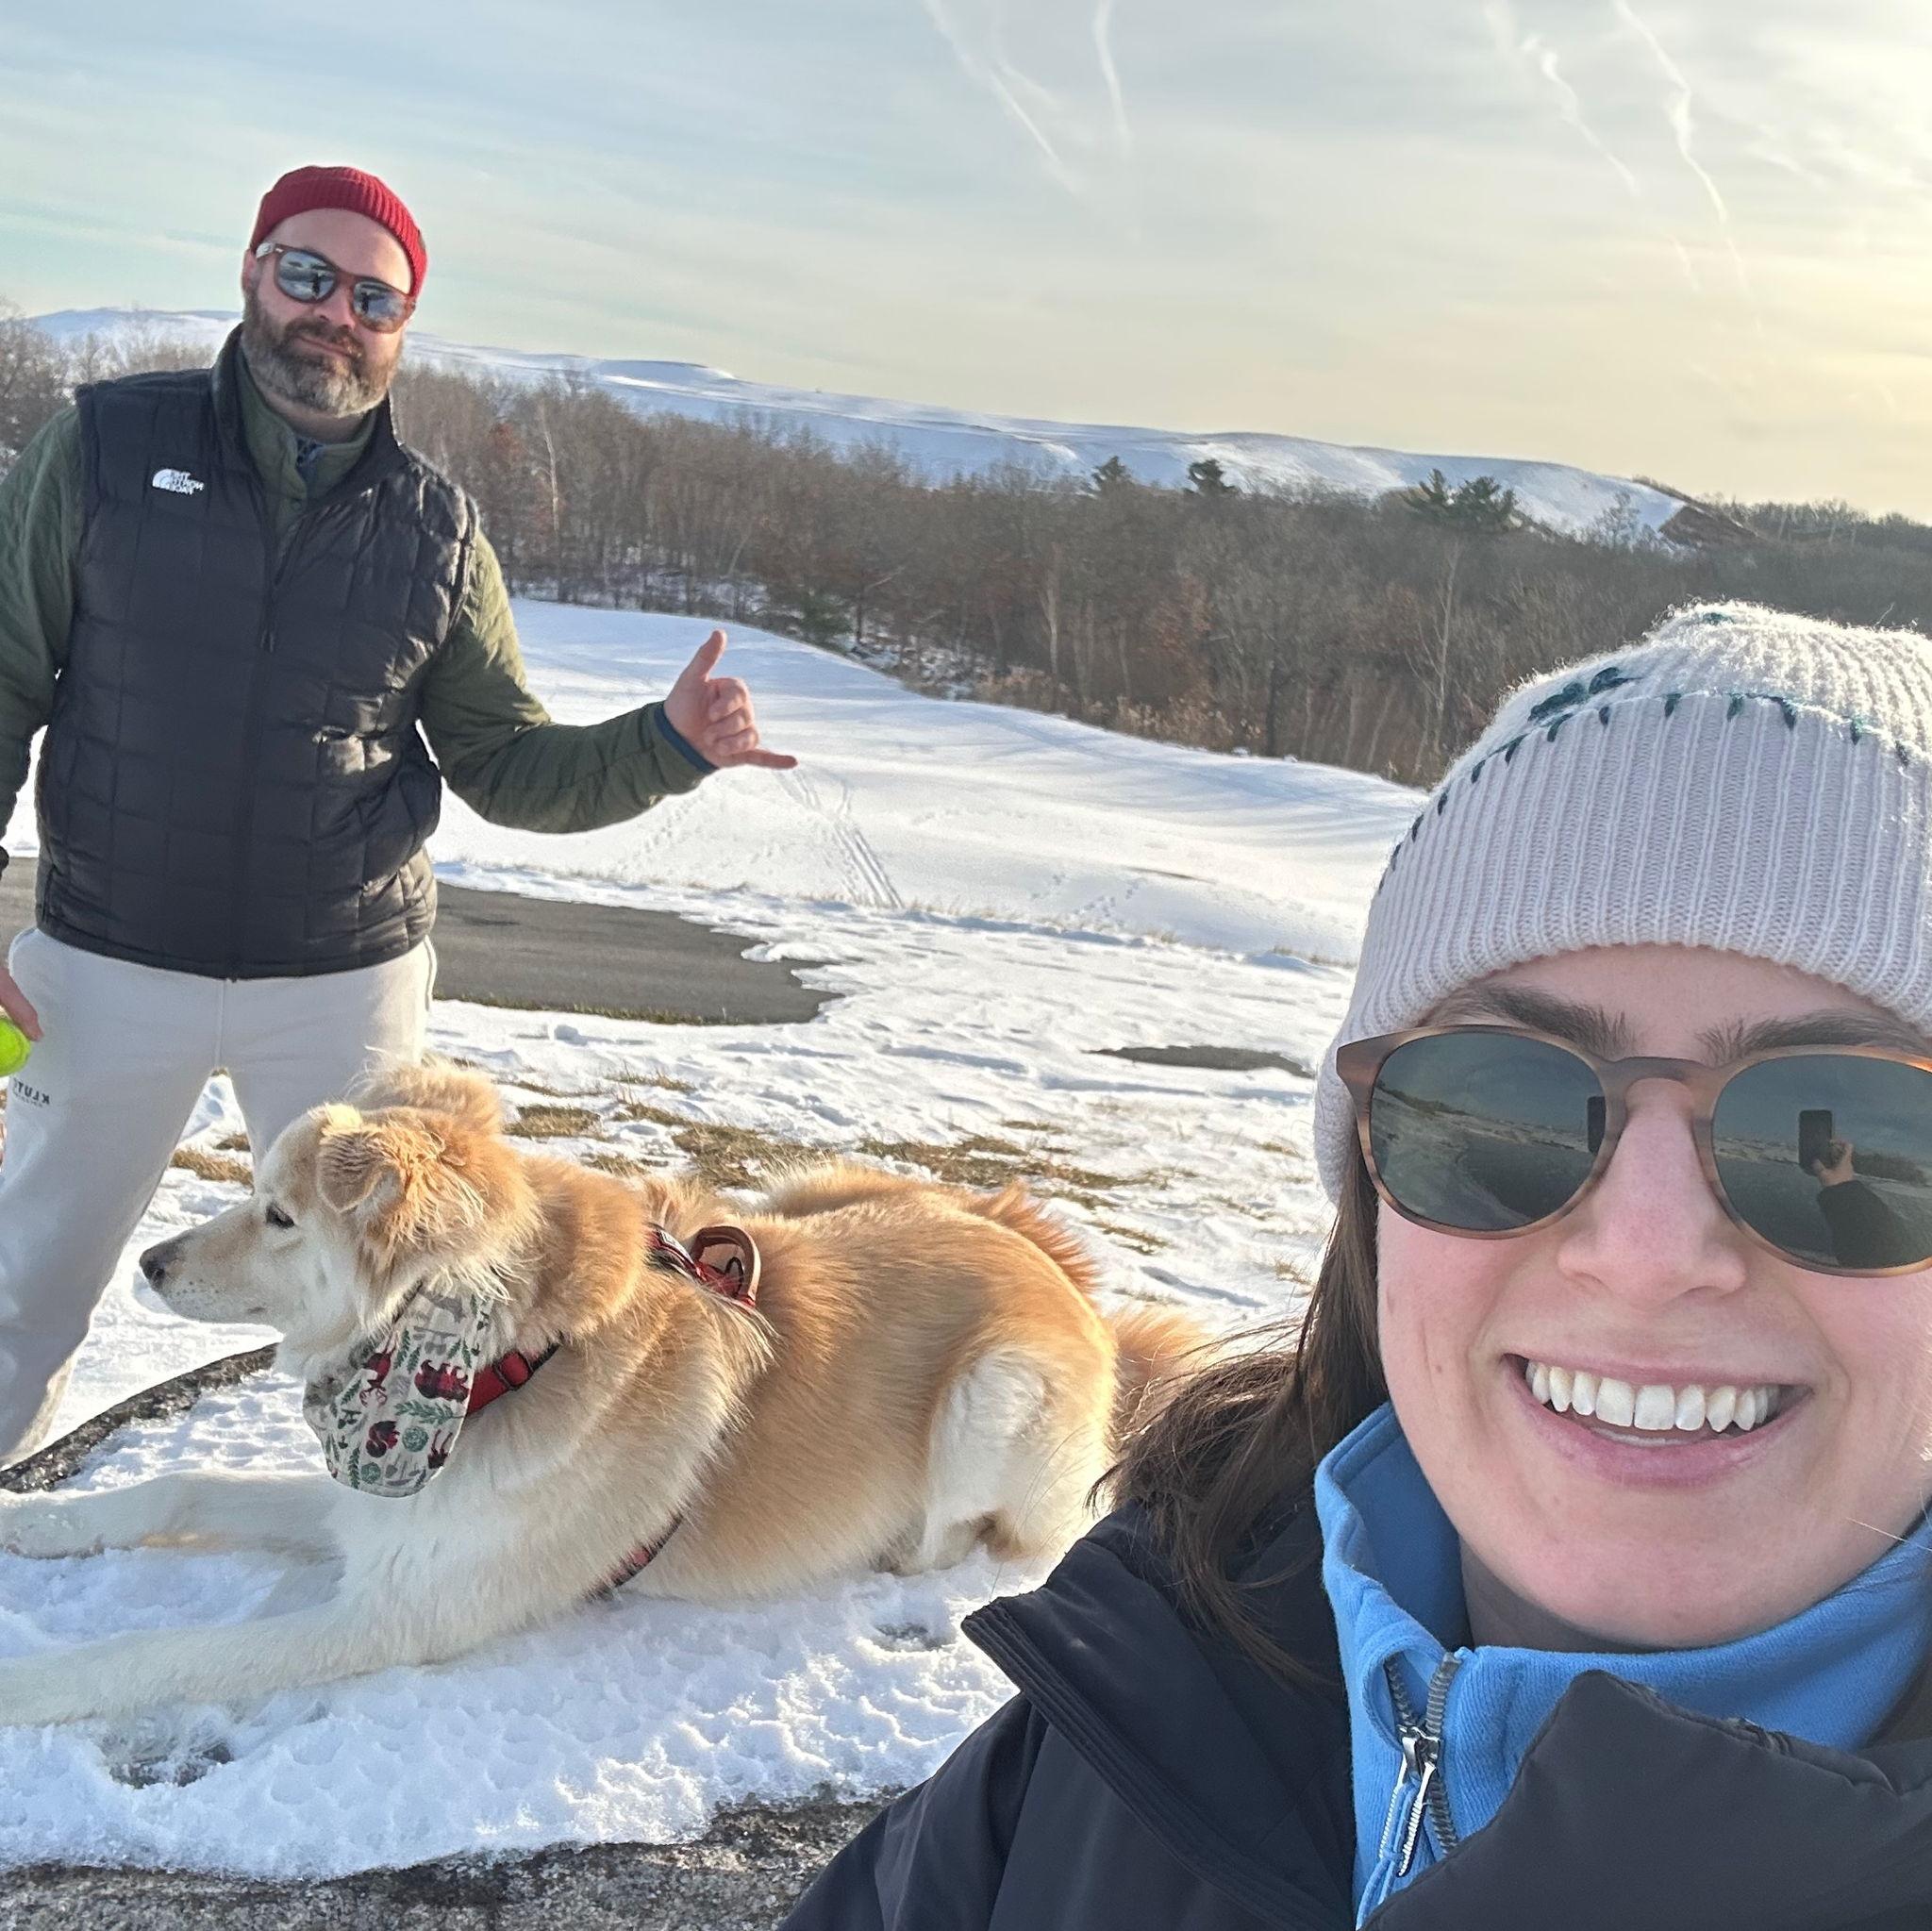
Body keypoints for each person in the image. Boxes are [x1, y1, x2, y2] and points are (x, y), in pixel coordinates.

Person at [780, 603, 1932, 1929]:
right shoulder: (1146, 1693)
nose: (1647, 1252)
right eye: (1502, 1110)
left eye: (1841, 1138)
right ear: (1374, 1189)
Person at [0, 164, 795, 1460]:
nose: (336, 313)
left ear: (401, 325)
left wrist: (665, 744)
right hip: (102, 956)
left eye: (375, 295)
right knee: (29, 1276)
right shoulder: (103, 446)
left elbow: (505, 762)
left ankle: (398, 1545)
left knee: (395, 1295)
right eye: (308, 275)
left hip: (342, 980)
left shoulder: (434, 527)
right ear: (254, 272)